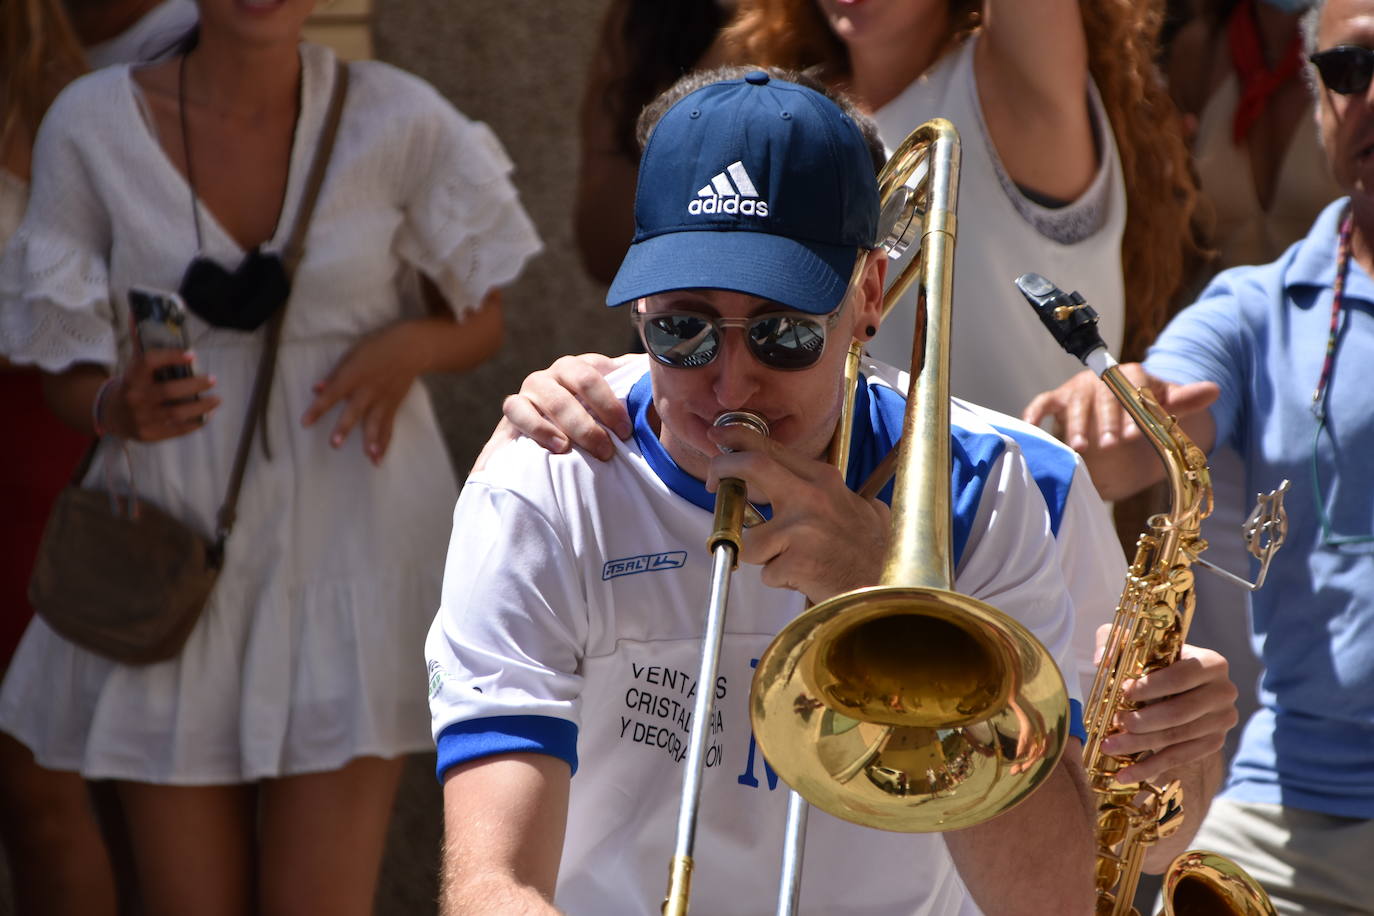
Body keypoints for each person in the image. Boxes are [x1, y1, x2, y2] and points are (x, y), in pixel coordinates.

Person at [429, 66, 1232, 916]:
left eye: (782, 331)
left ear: (869, 297)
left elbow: (1052, 901)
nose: (730, 382)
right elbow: (492, 886)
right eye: (681, 328)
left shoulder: (992, 487)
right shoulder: (545, 486)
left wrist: (894, 597)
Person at [0, 0, 541, 912]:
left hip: (354, 549)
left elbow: (481, 318)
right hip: (172, 555)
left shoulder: (398, 115)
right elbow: (61, 364)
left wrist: (407, 346)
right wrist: (112, 404)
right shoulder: (91, 124)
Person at [1024, 1, 1374, 909]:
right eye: (1348, 71)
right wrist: (1097, 419)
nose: (1372, 96)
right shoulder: (1256, 307)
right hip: (1291, 810)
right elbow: (1145, 424)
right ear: (1320, 99)